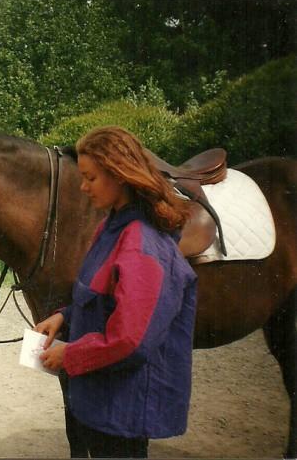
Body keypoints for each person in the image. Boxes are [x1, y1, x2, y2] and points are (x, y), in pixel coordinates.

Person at [34, 126, 198, 459]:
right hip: (103, 398)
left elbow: (131, 341)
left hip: (123, 408)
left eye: (90, 178)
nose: (83, 187)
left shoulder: (141, 242)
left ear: (120, 175)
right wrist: (64, 316)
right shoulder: (110, 227)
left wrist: (70, 356)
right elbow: (101, 294)